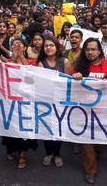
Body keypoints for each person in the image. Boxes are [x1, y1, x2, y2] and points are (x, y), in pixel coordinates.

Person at [72, 37, 107, 184]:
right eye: (87, 49)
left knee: (99, 139)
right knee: (87, 141)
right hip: (84, 110)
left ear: (99, 51)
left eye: (93, 49)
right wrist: (75, 76)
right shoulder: (80, 65)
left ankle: (99, 151)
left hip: (103, 110)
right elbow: (69, 83)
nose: (90, 52)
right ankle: (90, 170)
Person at [1, 37, 38, 169]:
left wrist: (20, 57)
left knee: (24, 127)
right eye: (14, 45)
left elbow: (29, 76)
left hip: (26, 100)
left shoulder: (31, 62)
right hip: (10, 100)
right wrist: (11, 60)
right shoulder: (6, 62)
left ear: (24, 47)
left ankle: (23, 154)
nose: (16, 46)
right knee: (11, 125)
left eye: (19, 44)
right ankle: (11, 148)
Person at [37, 36, 72, 168]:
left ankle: (57, 154)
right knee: (47, 129)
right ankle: (49, 153)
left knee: (58, 128)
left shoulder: (64, 62)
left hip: (61, 102)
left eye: (51, 45)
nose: (48, 48)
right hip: (46, 102)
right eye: (46, 46)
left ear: (57, 47)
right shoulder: (41, 64)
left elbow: (69, 82)